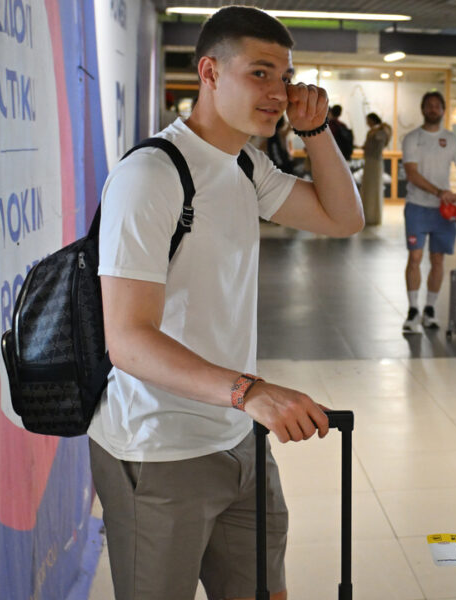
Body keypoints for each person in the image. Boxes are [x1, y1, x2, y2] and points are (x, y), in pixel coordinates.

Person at [90, 7, 363, 600]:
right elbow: (128, 339)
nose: (279, 93)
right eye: (259, 73)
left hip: (238, 437)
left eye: (285, 76)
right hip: (159, 449)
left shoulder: (245, 164)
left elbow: (344, 218)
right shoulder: (152, 175)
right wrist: (250, 391)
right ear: (210, 73)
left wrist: (315, 132)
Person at [401, 91, 456, 334]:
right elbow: (412, 174)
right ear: (423, 109)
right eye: (429, 105)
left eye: (437, 105)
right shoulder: (412, 138)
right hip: (417, 207)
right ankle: (413, 310)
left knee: (438, 260)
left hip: (443, 212)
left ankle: (430, 309)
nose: (433, 109)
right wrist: (439, 192)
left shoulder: (451, 139)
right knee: (415, 258)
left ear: (443, 110)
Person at [360, 112, 392, 226]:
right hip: (370, 161)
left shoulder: (381, 131)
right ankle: (367, 215)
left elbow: (379, 143)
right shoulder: (376, 131)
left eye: (368, 120)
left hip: (375, 161)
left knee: (373, 189)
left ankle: (372, 216)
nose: (367, 123)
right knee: (368, 188)